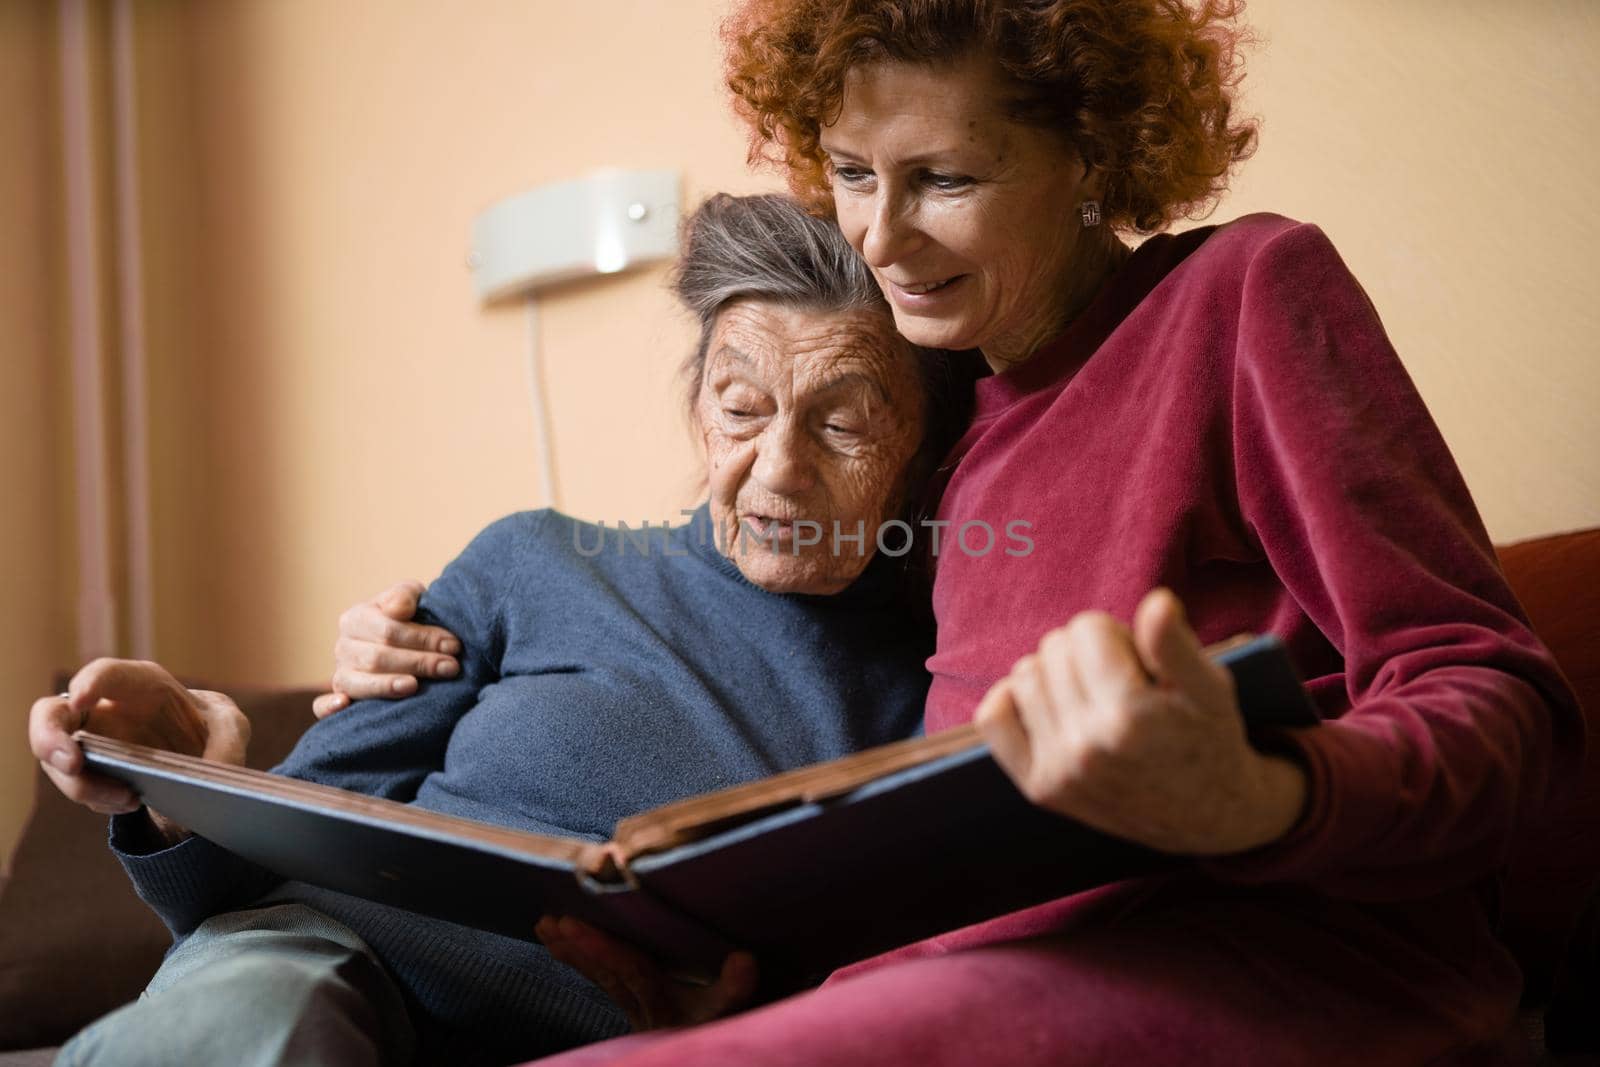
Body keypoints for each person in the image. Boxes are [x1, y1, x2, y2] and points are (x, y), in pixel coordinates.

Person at [344, 3, 1583, 1064]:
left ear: (1093, 152)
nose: (880, 236)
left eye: (945, 178)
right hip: (997, 981)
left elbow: (1492, 688)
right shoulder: (946, 437)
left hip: (1294, 965)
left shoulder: (1241, 294)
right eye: (849, 171)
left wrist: (1259, 792)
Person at [28, 193, 979, 1067]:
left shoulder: (937, 689)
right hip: (326, 968)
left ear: (924, 451)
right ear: (699, 408)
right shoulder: (537, 561)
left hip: (604, 1041)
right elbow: (243, 892)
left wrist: (732, 1038)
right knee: (259, 1021)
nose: (777, 469)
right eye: (742, 409)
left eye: (842, 425)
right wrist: (196, 785)